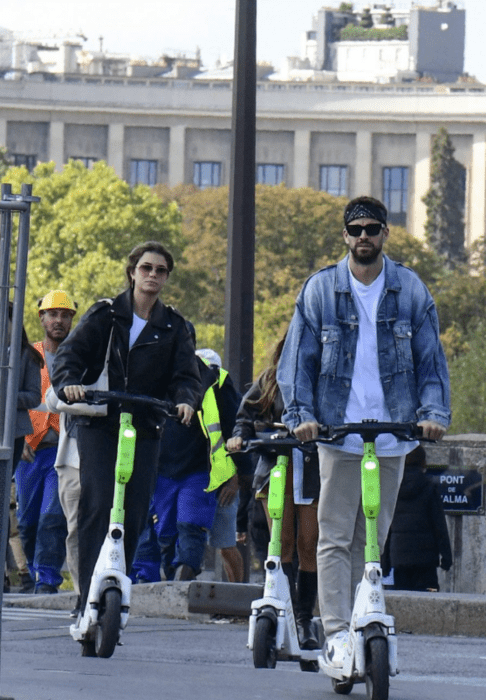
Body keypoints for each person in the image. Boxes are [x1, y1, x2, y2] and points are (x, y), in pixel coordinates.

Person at [276, 195, 451, 668]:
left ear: (385, 234)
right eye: (355, 230)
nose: (364, 238)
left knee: (371, 535)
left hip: (394, 433)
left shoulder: (410, 289)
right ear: (345, 236)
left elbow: (431, 362)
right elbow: (297, 363)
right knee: (334, 535)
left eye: (372, 229)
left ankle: (361, 619)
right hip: (338, 430)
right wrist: (302, 417)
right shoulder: (320, 290)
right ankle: (336, 633)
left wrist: (433, 412)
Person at [51, 241, 202, 630]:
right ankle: (86, 596)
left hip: (146, 425)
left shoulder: (176, 327)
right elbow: (71, 355)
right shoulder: (106, 315)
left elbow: (187, 376)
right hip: (101, 423)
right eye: (146, 268)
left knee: (134, 512)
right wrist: (69, 383)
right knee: (98, 504)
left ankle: (118, 579)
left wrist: (185, 401)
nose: (153, 275)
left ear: (167, 277)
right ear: (133, 271)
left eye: (161, 270)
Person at [227, 334, 320, 650]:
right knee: (282, 543)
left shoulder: (322, 381)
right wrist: (239, 437)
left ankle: (305, 619)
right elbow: (245, 416)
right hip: (274, 468)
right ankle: (289, 613)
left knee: (309, 543)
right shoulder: (269, 380)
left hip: (310, 468)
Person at [146, 329, 250, 582]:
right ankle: (173, 590)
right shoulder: (155, 376)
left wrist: (237, 475)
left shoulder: (217, 380)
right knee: (165, 534)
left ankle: (191, 585)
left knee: (196, 531)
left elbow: (234, 428)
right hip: (164, 471)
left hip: (204, 472)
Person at [15, 291, 75, 594]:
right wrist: (19, 438)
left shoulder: (79, 357)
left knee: (52, 517)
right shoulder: (27, 354)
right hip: (30, 450)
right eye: (53, 314)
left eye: (65, 316)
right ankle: (38, 572)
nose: (59, 321)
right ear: (41, 318)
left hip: (64, 450)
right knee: (26, 523)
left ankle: (47, 581)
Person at [4, 302, 43, 594]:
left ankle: (19, 573)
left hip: (13, 435)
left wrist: (6, 396)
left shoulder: (27, 355)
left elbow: (32, 397)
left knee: (7, 504)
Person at [382, 445, 452, 592]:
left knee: (403, 603)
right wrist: (446, 557)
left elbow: (386, 525)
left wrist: (385, 562)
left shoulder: (393, 486)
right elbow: (439, 525)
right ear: (423, 461)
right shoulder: (429, 486)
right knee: (429, 603)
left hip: (399, 555)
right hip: (425, 558)